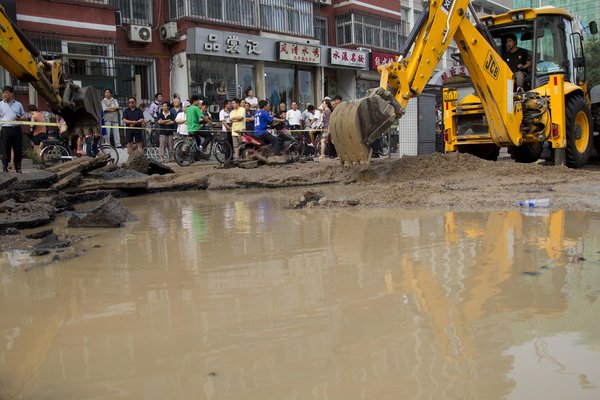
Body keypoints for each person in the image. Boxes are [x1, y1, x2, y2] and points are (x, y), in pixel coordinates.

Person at [0, 86, 26, 173]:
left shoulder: (18, 104)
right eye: (3, 93)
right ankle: (5, 168)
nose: (4, 95)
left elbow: (23, 115)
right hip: (5, 129)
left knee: (18, 149)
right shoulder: (0, 104)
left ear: (11, 94)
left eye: (6, 93)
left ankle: (18, 168)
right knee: (5, 149)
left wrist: (21, 118)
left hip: (16, 129)